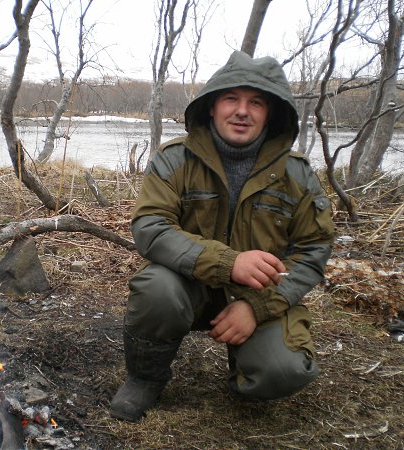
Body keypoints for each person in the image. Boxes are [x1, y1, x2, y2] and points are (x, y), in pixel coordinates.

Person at [109, 50, 336, 422]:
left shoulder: (297, 174)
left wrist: (256, 307)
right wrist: (229, 263)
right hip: (188, 286)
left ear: (270, 113)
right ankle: (145, 378)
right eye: (231, 98)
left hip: (259, 292)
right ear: (212, 107)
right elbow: (150, 226)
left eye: (256, 102)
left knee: (284, 372)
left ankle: (246, 364)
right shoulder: (174, 159)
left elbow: (313, 249)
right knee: (157, 289)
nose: (242, 111)